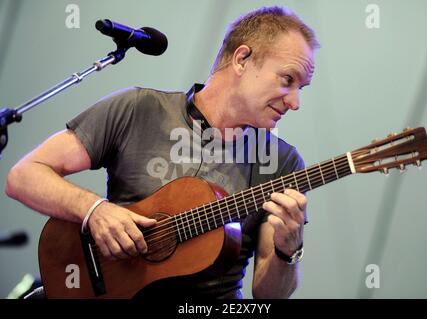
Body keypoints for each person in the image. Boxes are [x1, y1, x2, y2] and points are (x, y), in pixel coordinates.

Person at [5, 6, 319, 299]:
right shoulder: (139, 109)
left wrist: (287, 250)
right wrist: (94, 210)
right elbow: (24, 175)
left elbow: (268, 296)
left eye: (300, 89)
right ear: (241, 59)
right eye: (287, 81)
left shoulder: (282, 163)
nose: (295, 102)